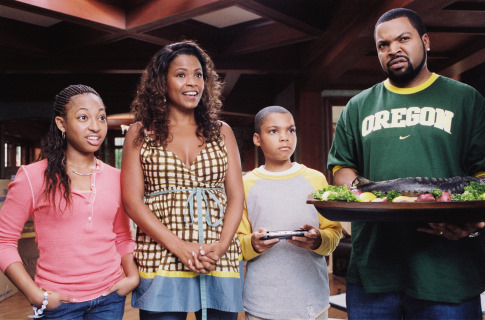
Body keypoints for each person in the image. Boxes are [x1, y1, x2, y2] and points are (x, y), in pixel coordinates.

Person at [327, 8, 485, 319]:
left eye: (403, 39)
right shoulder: (358, 107)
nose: (392, 49)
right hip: (374, 270)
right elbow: (341, 169)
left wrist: (470, 225)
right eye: (382, 45)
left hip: (446, 273)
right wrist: (362, 193)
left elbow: (481, 173)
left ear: (426, 41)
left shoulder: (466, 100)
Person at [121, 40, 244, 320]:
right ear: (161, 83)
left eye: (198, 74)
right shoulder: (140, 133)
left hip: (218, 255)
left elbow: (236, 196)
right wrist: (181, 248)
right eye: (181, 74)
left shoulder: (221, 131)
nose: (192, 83)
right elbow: (132, 202)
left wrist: (221, 247)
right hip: (161, 254)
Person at [0, 84, 139, 319]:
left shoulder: (117, 178)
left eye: (101, 117)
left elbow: (123, 237)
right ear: (61, 123)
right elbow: (4, 241)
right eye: (83, 117)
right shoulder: (33, 177)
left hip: (110, 299)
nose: (95, 126)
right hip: (58, 303)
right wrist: (34, 295)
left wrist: (132, 277)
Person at [237, 106, 342, 320]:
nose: (284, 137)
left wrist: (318, 240)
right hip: (262, 301)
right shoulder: (244, 184)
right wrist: (253, 244)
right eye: (273, 131)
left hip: (312, 300)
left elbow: (334, 234)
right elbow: (236, 243)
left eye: (291, 130)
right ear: (257, 139)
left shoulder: (316, 179)